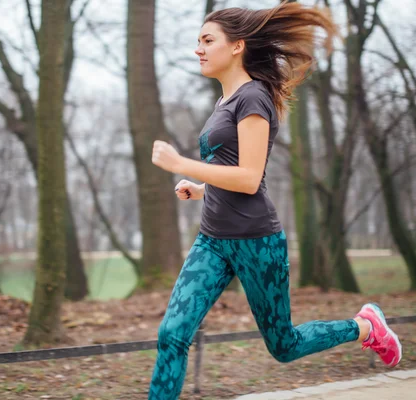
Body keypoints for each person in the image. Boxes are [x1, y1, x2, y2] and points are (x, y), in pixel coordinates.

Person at [149, 2, 402, 399]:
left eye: (207, 40)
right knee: (172, 335)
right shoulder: (224, 102)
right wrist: (201, 189)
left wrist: (183, 163)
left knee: (284, 346)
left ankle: (365, 326)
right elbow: (235, 170)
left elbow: (250, 180)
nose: (198, 48)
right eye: (198, 41)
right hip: (213, 240)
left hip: (256, 243)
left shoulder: (253, 98)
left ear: (237, 46)